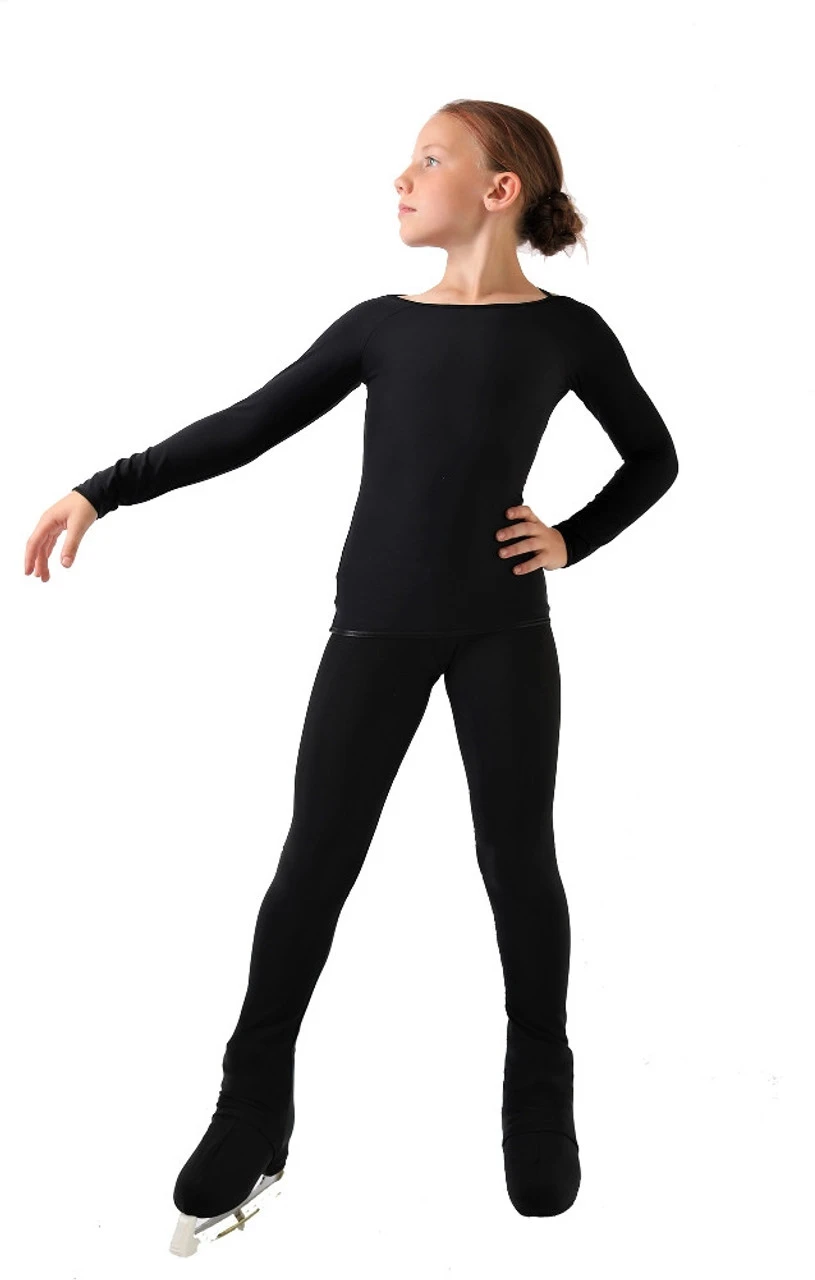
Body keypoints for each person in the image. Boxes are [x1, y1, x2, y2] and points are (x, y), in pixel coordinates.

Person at [24, 99, 678, 1242]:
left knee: (517, 862)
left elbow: (653, 457)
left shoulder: (565, 333)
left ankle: (538, 1085)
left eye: (429, 158)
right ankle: (251, 1106)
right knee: (312, 866)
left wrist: (569, 538)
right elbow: (248, 424)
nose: (400, 176)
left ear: (498, 191)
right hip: (374, 629)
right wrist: (103, 487)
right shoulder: (380, 327)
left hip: (503, 633)